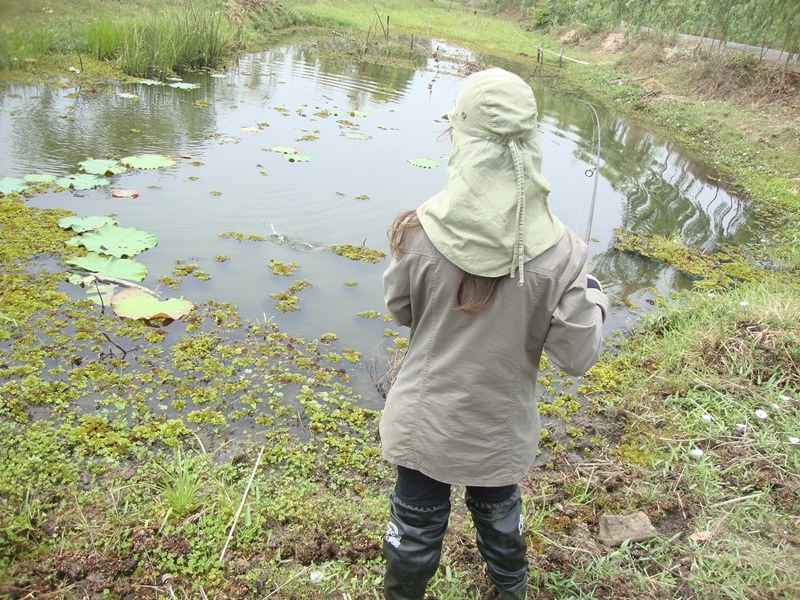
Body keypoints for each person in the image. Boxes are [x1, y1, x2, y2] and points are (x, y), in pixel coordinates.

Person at [379, 67, 610, 599]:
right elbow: (577, 354)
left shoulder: (417, 232)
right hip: (498, 432)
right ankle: (511, 592)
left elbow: (400, 309)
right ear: (530, 142)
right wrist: (593, 292)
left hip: (424, 426)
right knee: (501, 522)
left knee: (413, 532)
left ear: (462, 138)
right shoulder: (565, 252)